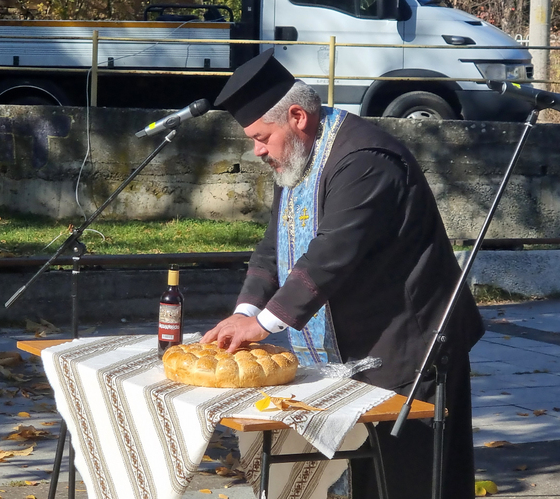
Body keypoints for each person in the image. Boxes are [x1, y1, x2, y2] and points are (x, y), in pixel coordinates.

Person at [201, 48, 484, 499]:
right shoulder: (301, 154)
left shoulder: (365, 158)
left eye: (261, 137)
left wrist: (264, 324)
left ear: (297, 116)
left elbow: (333, 252)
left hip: (408, 348)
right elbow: (274, 245)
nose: (256, 150)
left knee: (408, 482)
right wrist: (245, 308)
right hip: (356, 346)